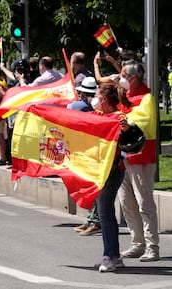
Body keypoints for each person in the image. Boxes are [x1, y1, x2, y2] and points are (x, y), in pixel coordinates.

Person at [117, 60, 160, 262]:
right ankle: (137, 243)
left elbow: (142, 119)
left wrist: (125, 122)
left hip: (141, 156)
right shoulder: (124, 97)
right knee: (126, 202)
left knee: (144, 203)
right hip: (123, 157)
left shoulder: (147, 97)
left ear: (133, 79)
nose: (121, 78)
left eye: (124, 75)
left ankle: (152, 247)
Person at [92, 82, 131, 272]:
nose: (95, 99)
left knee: (105, 213)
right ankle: (114, 256)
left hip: (113, 170)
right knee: (106, 212)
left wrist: (126, 129)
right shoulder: (100, 116)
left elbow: (129, 139)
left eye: (97, 95)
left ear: (104, 99)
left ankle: (109, 257)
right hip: (103, 170)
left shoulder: (118, 118)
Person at [67, 76, 102, 236]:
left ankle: (94, 221)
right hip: (87, 152)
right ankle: (92, 220)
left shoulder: (78, 106)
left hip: (89, 153)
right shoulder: (83, 107)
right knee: (91, 187)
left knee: (93, 187)